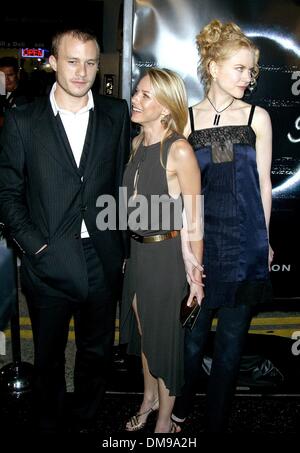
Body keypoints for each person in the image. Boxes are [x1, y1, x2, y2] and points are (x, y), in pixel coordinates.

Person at [0, 28, 130, 433]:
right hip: (47, 259)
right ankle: (48, 423)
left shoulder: (116, 113)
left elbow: (120, 183)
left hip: (101, 257)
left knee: (97, 353)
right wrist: (36, 249)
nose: (82, 71)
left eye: (90, 62)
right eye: (72, 61)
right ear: (53, 62)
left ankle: (87, 421)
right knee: (49, 357)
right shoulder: (23, 119)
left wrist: (121, 247)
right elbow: (7, 193)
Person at [172, 19, 273, 433]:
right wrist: (185, 250)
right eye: (240, 69)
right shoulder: (187, 122)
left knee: (231, 347)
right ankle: (177, 410)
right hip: (202, 245)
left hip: (246, 246)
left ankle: (215, 422)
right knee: (192, 343)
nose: (248, 79)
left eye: (252, 71)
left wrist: (264, 241)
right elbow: (179, 194)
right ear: (213, 67)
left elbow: (264, 185)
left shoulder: (258, 117)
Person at [120, 68, 204, 433]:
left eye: (145, 96)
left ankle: (166, 423)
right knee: (144, 334)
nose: (135, 100)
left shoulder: (180, 150)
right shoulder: (137, 143)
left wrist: (195, 274)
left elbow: (195, 217)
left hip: (166, 259)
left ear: (166, 107)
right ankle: (149, 398)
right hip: (139, 256)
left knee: (165, 343)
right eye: (136, 92)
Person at [0, 56, 34, 129]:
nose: (6, 80)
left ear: (17, 75)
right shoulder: (2, 91)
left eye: (10, 75)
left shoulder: (26, 95)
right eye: (2, 76)